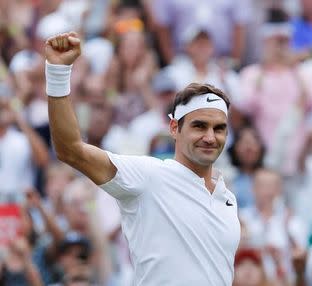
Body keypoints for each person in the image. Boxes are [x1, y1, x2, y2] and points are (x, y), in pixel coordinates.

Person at [44, 32, 240, 285]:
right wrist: (58, 73)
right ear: (173, 129)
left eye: (219, 128)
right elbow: (70, 149)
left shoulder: (227, 198)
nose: (210, 137)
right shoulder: (147, 175)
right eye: (199, 126)